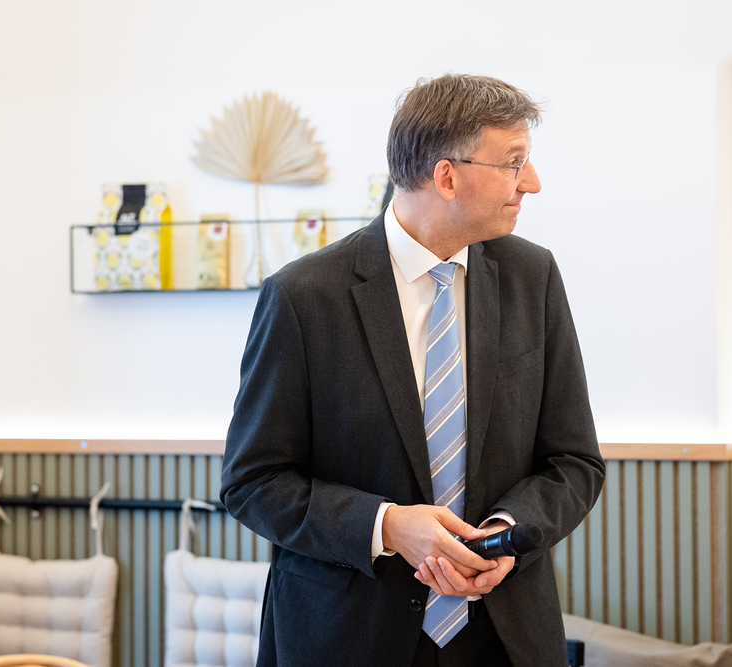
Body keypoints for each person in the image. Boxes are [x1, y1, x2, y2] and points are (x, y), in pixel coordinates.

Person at [221, 74, 605, 667]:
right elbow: (254, 482)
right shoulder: (303, 296)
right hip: (347, 637)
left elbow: (574, 461)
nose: (531, 182)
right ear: (446, 177)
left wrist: (507, 533)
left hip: (504, 636)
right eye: (513, 162)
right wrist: (388, 525)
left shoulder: (535, 277)